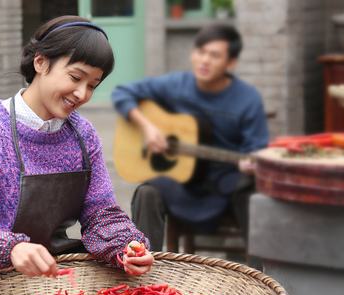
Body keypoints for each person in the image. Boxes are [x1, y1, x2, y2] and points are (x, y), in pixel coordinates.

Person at [0, 15, 154, 295]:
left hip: (56, 274)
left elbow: (101, 213)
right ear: (40, 63)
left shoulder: (83, 134)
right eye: (75, 78)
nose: (82, 94)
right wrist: (12, 249)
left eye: (93, 85)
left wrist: (125, 246)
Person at [111, 24, 269, 251]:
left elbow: (256, 148)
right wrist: (147, 127)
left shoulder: (247, 98)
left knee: (251, 192)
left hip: (225, 186)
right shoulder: (176, 85)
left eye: (214, 55)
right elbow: (122, 93)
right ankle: (142, 269)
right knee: (147, 192)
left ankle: (259, 275)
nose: (204, 60)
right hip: (181, 183)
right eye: (200, 52)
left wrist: (251, 164)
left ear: (230, 63)